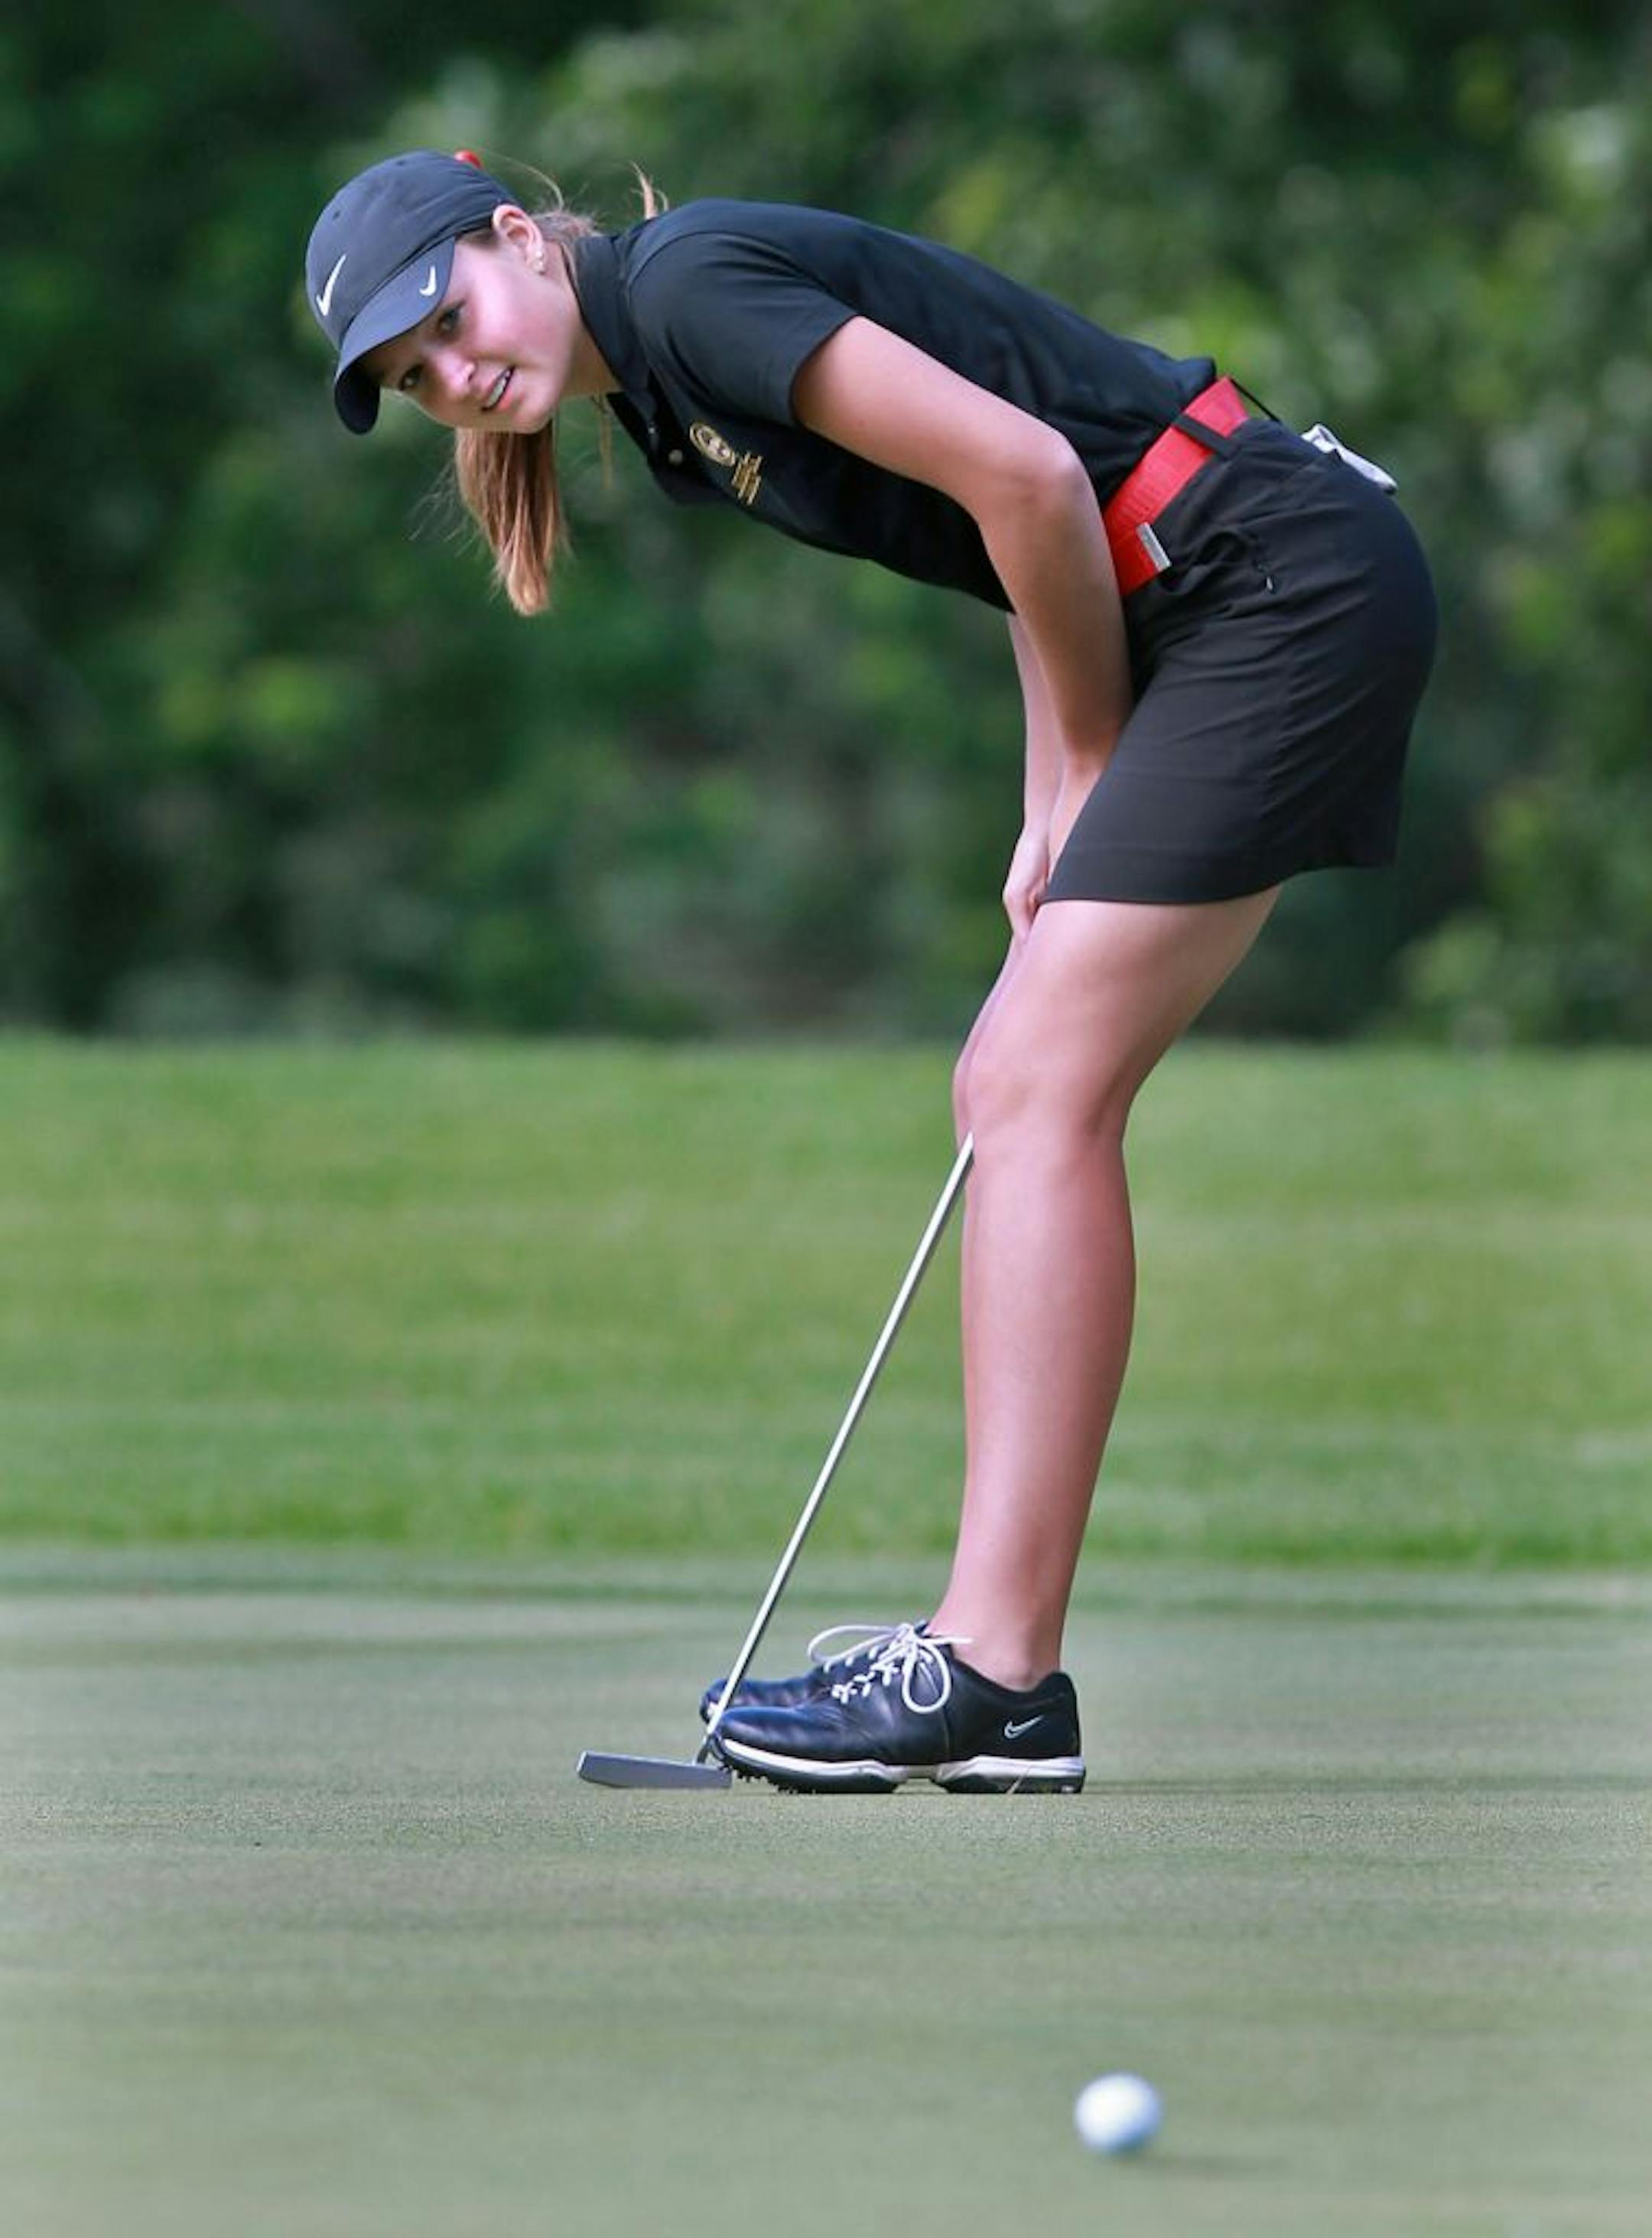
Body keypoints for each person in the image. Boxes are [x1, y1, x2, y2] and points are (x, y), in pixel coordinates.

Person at [304, 150, 1436, 1795]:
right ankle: (1004, 1672)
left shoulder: (686, 290)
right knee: (1019, 1080)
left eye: (447, 321)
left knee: (1031, 1082)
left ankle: (990, 1665)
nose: (457, 377)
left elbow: (1040, 479)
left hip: (1273, 577)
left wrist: (1075, 774)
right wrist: (1055, 779)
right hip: (1210, 594)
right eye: (418, 381)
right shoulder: (664, 412)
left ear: (509, 238)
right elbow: (1007, 526)